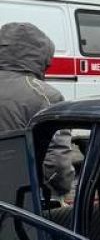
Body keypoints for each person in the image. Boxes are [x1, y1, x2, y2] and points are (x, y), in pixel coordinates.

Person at [0, 22, 75, 198]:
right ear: (42, 56)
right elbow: (57, 165)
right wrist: (60, 191)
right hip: (21, 201)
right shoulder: (45, 96)